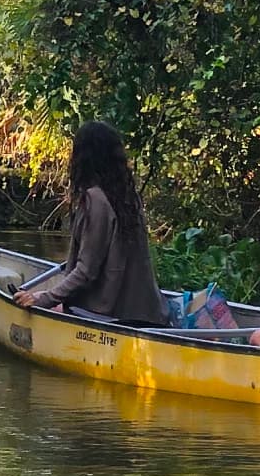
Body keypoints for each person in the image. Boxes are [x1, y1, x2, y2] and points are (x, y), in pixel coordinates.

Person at [16, 120, 162, 326]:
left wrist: (43, 299)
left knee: (45, 298)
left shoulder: (95, 199)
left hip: (111, 315)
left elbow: (86, 272)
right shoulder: (129, 197)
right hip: (146, 312)